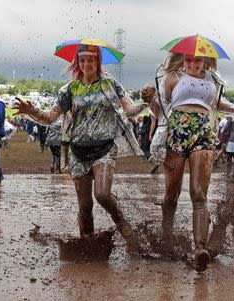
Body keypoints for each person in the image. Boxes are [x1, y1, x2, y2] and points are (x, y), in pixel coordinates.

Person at [14, 44, 152, 255]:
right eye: (82, 60)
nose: (87, 64)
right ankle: (87, 245)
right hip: (77, 151)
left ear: (98, 62)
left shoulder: (110, 85)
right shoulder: (69, 90)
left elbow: (129, 111)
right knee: (85, 206)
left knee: (103, 194)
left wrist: (145, 101)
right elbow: (50, 118)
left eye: (91, 60)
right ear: (77, 63)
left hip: (104, 149)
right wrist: (30, 110)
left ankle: (126, 229)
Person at [152, 52, 234, 272]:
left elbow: (217, 103)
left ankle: (200, 248)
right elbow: (158, 109)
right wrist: (149, 98)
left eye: (197, 60)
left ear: (205, 61)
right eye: (188, 60)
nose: (193, 64)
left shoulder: (213, 80)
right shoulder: (172, 77)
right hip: (177, 130)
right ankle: (166, 235)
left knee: (198, 193)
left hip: (204, 131)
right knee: (172, 192)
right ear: (183, 60)